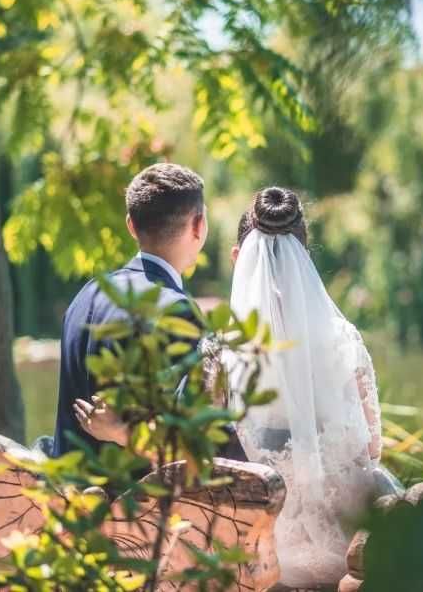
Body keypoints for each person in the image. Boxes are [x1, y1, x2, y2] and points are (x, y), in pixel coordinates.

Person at [219, 186, 391, 588]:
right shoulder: (343, 341)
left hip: (265, 558)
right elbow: (372, 448)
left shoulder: (227, 357)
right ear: (305, 255)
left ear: (240, 261)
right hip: (347, 550)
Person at [53, 162, 245, 462]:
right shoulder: (176, 310)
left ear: (131, 225)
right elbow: (190, 444)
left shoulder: (86, 294)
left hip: (69, 499)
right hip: (139, 505)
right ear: (198, 226)